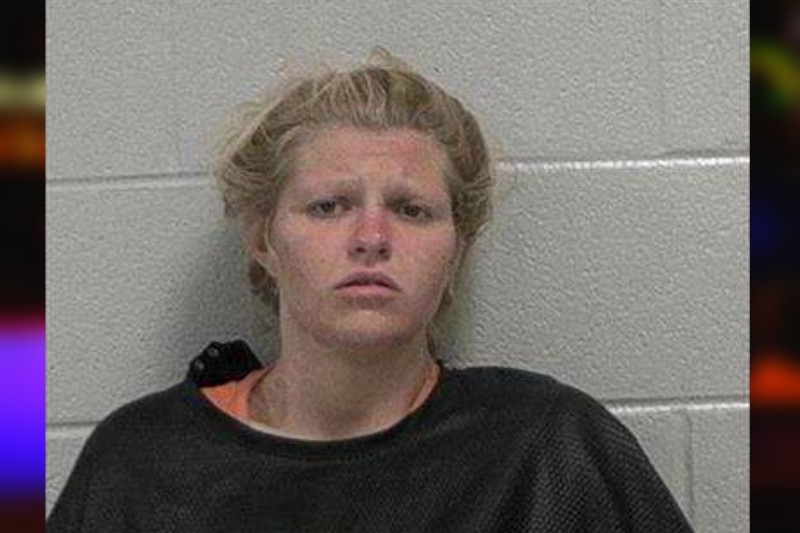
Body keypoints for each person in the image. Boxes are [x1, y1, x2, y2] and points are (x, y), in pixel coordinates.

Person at [47, 48, 694, 532]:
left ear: (457, 247)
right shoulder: (145, 463)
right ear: (262, 238)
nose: (372, 238)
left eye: (412, 210)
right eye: (329, 206)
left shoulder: (548, 451)